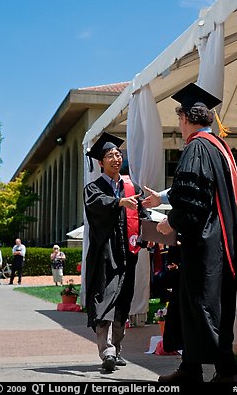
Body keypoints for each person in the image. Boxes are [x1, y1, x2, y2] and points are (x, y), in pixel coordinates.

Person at [142, 83, 237, 383]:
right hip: (221, 245)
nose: (179, 126)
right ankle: (190, 369)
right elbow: (198, 188)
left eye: (179, 119)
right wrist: (163, 197)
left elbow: (194, 199)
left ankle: (228, 372)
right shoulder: (218, 147)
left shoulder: (196, 147)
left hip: (206, 246)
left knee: (203, 307)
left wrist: (171, 222)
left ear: (185, 117)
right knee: (193, 305)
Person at [83, 132, 151, 372]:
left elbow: (141, 216)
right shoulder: (93, 188)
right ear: (100, 162)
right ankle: (107, 351)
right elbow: (96, 206)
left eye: (118, 154)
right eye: (110, 155)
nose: (115, 158)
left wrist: (150, 237)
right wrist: (119, 202)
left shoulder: (130, 186)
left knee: (123, 302)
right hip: (106, 254)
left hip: (128, 254)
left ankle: (116, 350)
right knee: (104, 301)